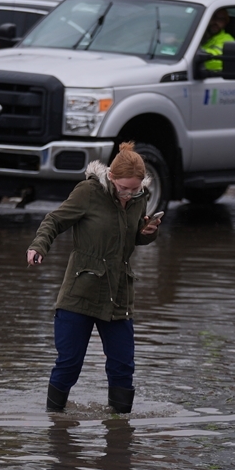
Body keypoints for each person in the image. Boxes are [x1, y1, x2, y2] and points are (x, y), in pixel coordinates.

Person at [26, 143, 162, 414]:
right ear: (111, 176)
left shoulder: (139, 197)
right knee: (69, 363)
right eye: (124, 188)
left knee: (123, 366)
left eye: (135, 189)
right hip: (80, 292)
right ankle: (54, 424)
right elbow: (53, 221)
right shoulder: (88, 192)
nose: (129, 194)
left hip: (119, 294)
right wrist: (38, 246)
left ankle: (120, 433)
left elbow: (133, 236)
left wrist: (147, 232)